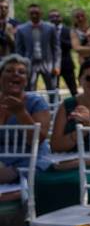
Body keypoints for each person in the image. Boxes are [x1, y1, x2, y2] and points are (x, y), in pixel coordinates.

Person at [0, 55, 53, 184]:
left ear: (26, 80)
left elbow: (37, 140)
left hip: (30, 157)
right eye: (9, 71)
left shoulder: (36, 102)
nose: (15, 74)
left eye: (21, 72)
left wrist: (21, 113)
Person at [15, 4, 60, 97]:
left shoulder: (50, 27)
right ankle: (31, 110)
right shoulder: (21, 29)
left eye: (36, 13)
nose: (34, 15)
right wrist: (21, 65)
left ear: (41, 13)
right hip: (30, 63)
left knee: (52, 89)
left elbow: (56, 48)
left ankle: (54, 110)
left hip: (48, 63)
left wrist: (56, 65)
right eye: (32, 13)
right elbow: (19, 50)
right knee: (29, 90)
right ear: (28, 14)